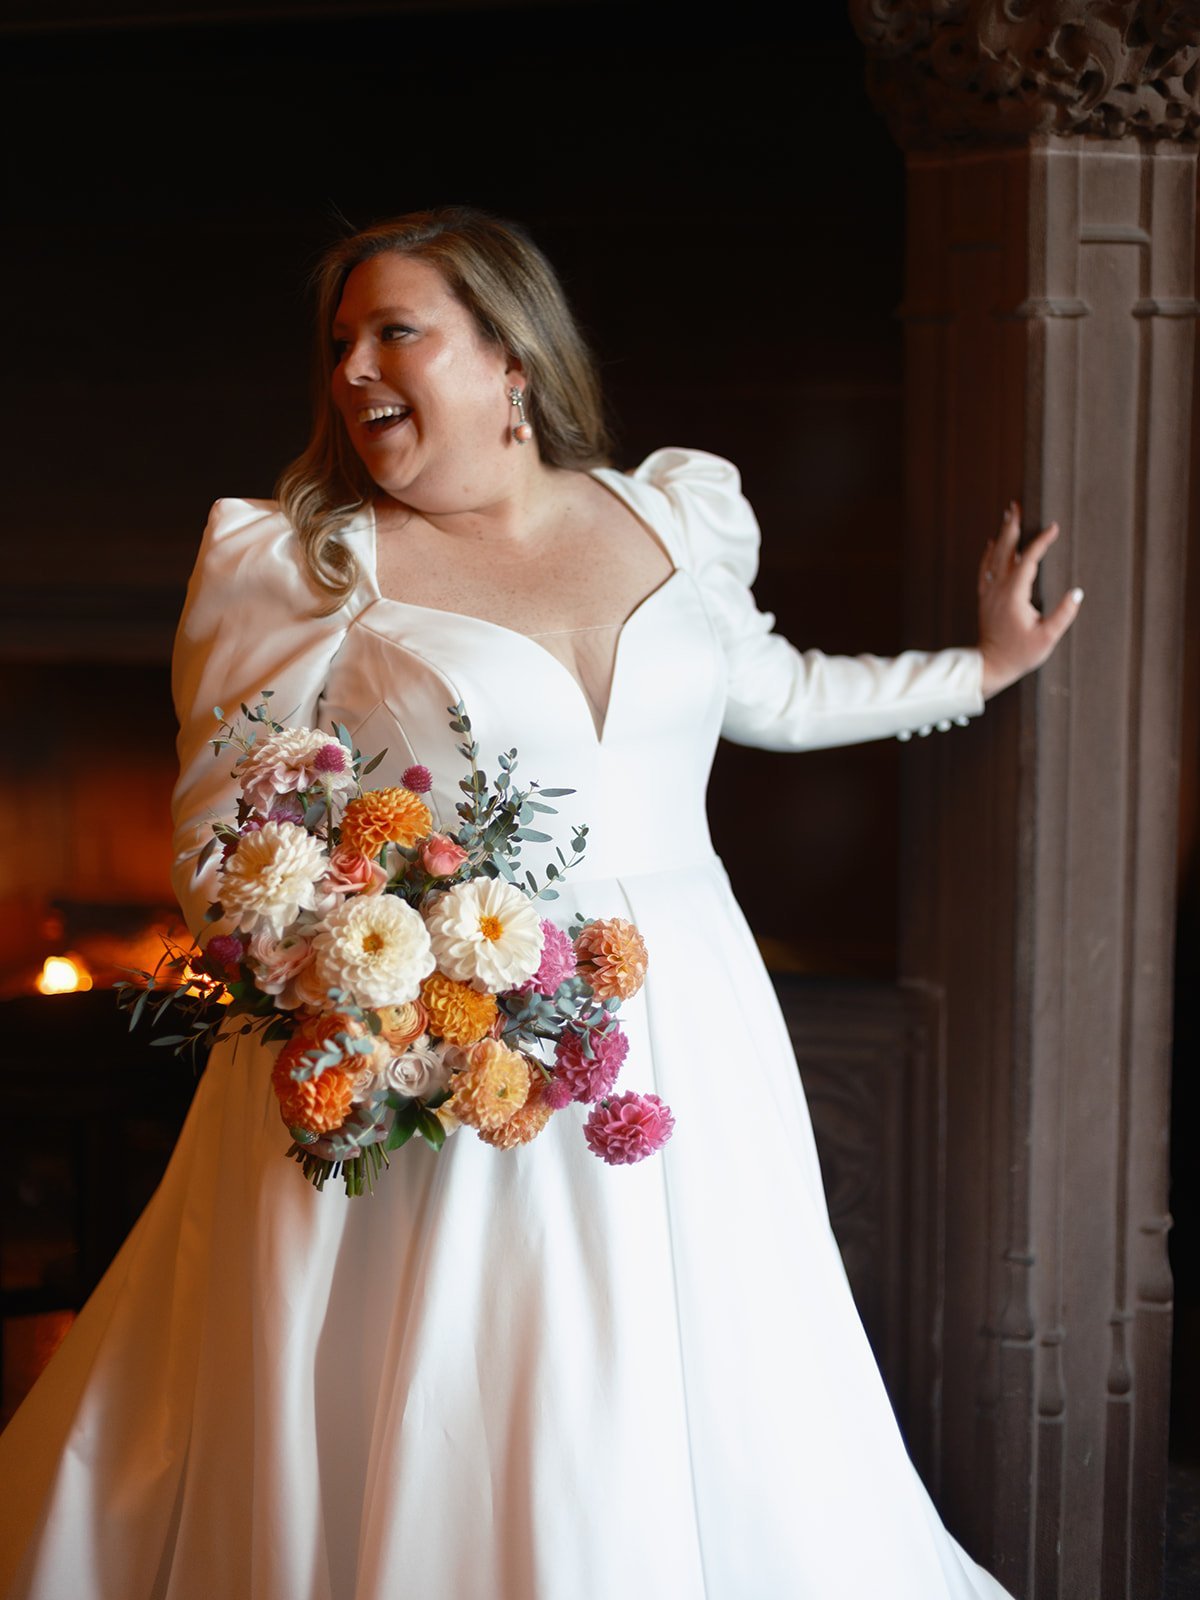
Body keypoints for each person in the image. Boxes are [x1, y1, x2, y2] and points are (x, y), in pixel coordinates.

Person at [0, 206, 1081, 1600]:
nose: (353, 371)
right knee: (478, 1367)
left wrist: (976, 672)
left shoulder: (672, 511)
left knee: (706, 1356)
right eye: (339, 343)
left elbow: (775, 691)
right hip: (439, 1031)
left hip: (687, 1005)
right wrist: (367, 969)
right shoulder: (306, 563)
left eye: (397, 331)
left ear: (511, 358)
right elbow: (221, 836)